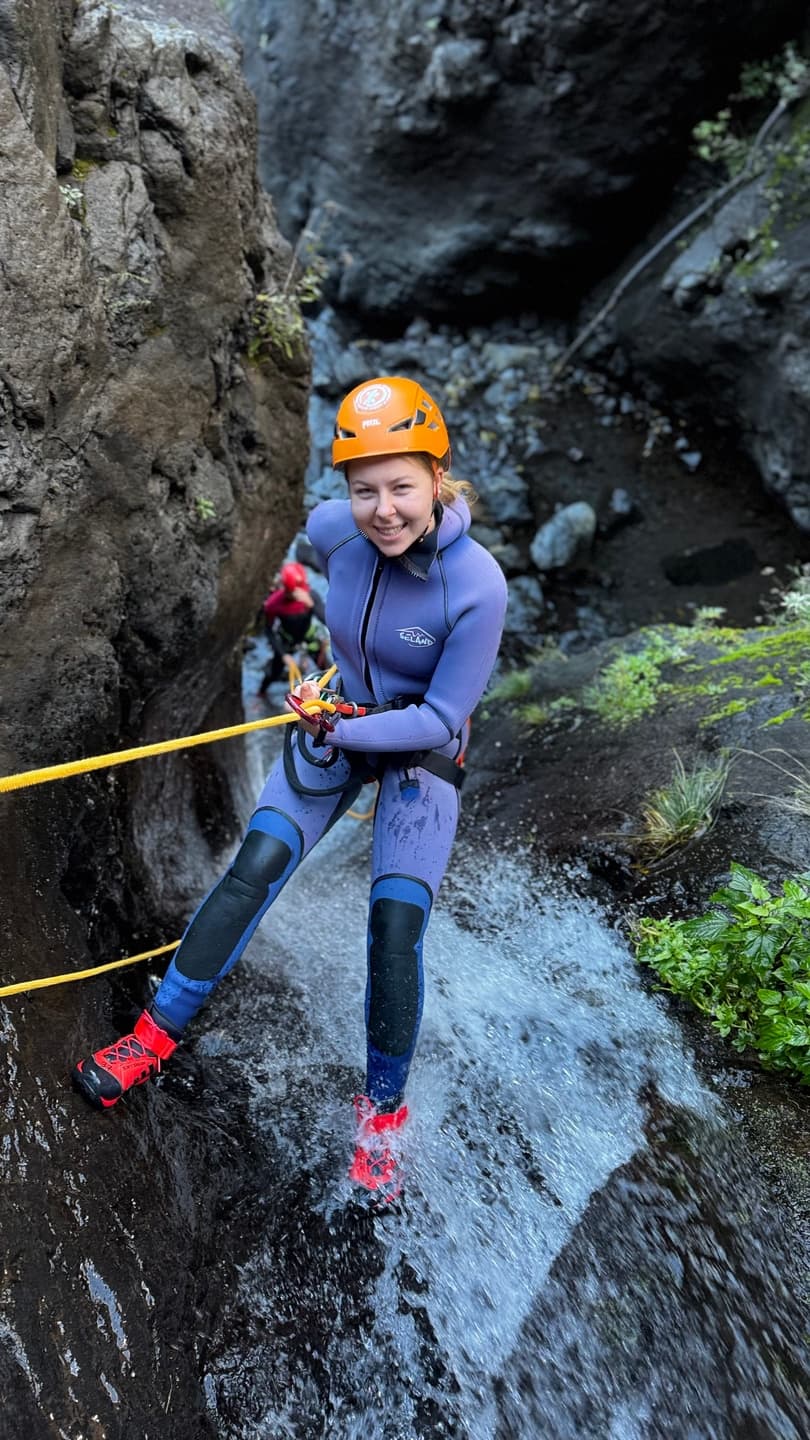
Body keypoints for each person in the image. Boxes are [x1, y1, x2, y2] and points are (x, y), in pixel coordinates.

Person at [72, 376, 508, 1203]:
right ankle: (151, 1037)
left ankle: (382, 1113)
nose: (383, 509)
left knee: (393, 925)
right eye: (364, 488)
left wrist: (339, 727)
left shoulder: (476, 585)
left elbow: (444, 712)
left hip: (414, 747)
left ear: (438, 476)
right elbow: (285, 548)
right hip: (337, 714)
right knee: (255, 864)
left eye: (402, 487)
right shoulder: (330, 531)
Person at [256, 561, 330, 694]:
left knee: (326, 670)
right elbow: (269, 630)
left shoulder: (311, 596)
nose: (296, 596)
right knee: (274, 671)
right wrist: (283, 655)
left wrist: (311, 605)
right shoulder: (274, 604)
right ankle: (261, 693)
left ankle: (330, 697)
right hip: (287, 639)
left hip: (308, 635)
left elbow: (327, 621)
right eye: (292, 593)